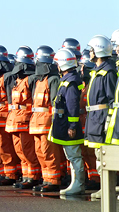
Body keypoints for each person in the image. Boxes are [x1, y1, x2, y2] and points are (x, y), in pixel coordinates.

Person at [83, 35, 117, 199]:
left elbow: (112, 100)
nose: (90, 53)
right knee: (98, 154)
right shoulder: (97, 71)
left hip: (102, 118)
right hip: (94, 117)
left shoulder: (108, 72)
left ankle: (108, 189)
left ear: (97, 50)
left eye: (91, 49)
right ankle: (105, 188)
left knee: (103, 155)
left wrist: (108, 121)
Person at [48, 48, 85, 195]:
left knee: (74, 156)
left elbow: (72, 106)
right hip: (64, 124)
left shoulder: (70, 83)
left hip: (69, 126)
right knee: (71, 156)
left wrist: (72, 126)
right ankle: (75, 183)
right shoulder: (69, 80)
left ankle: (78, 184)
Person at [6, 46, 41, 189]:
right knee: (19, 150)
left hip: (26, 120)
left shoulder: (31, 79)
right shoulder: (17, 80)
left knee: (28, 149)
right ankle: (26, 176)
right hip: (15, 120)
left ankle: (33, 177)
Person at [0, 45, 21, 186]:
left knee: (4, 146)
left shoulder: (7, 77)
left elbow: (11, 100)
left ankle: (11, 174)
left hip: (3, 118)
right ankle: (3, 173)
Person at [29, 46, 61, 192]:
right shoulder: (38, 81)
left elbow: (55, 103)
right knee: (39, 152)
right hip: (36, 122)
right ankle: (46, 178)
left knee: (49, 152)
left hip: (47, 122)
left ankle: (53, 180)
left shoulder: (53, 80)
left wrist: (56, 122)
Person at [78, 50, 100, 190]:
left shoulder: (94, 82)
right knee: (84, 152)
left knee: (92, 153)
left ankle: (96, 179)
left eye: (83, 67)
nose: (81, 70)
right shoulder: (82, 85)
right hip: (82, 121)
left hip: (91, 120)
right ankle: (90, 176)